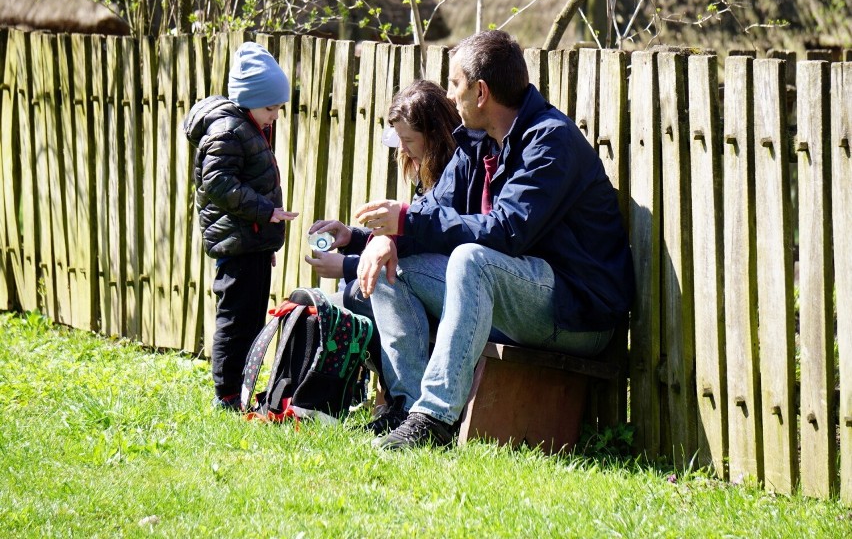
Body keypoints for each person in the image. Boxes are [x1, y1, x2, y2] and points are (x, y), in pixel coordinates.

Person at [354, 30, 635, 449]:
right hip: (519, 296)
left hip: (576, 311)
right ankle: (407, 409)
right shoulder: (475, 143)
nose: (449, 96)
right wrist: (390, 239)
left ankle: (434, 418)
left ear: (480, 91)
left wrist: (405, 222)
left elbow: (506, 232)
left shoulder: (551, 142)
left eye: (455, 84)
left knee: (472, 259)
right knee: (397, 271)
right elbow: (432, 212)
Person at [304, 80, 461, 427]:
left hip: (456, 284)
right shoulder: (430, 169)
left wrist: (346, 265)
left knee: (378, 284)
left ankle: (410, 407)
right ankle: (377, 401)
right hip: (430, 278)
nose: (403, 150)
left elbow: (425, 242)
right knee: (345, 302)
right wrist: (352, 237)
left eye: (408, 140)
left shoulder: (456, 170)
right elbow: (405, 238)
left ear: (434, 134)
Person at [184, 41, 299, 411]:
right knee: (235, 320)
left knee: (249, 317)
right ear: (248, 100)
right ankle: (228, 394)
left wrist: (265, 240)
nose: (276, 115)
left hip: (250, 243)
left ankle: (240, 391)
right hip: (236, 243)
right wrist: (266, 213)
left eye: (279, 107)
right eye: (271, 107)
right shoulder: (229, 131)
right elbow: (217, 183)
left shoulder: (248, 127)